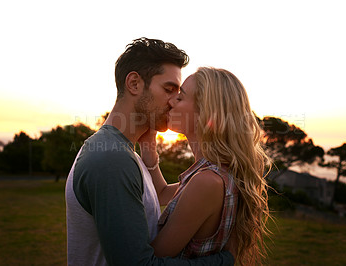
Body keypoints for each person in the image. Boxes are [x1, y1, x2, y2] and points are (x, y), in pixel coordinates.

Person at [65, 38, 235, 265]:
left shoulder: (126, 154)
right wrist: (224, 261)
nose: (175, 100)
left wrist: (150, 154)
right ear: (134, 84)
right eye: (169, 89)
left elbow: (167, 193)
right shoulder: (112, 159)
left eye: (179, 93)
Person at [140, 67, 271, 265]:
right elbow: (161, 193)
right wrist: (148, 145)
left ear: (205, 114)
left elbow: (149, 261)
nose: (170, 101)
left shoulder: (206, 182)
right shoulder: (216, 173)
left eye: (180, 98)